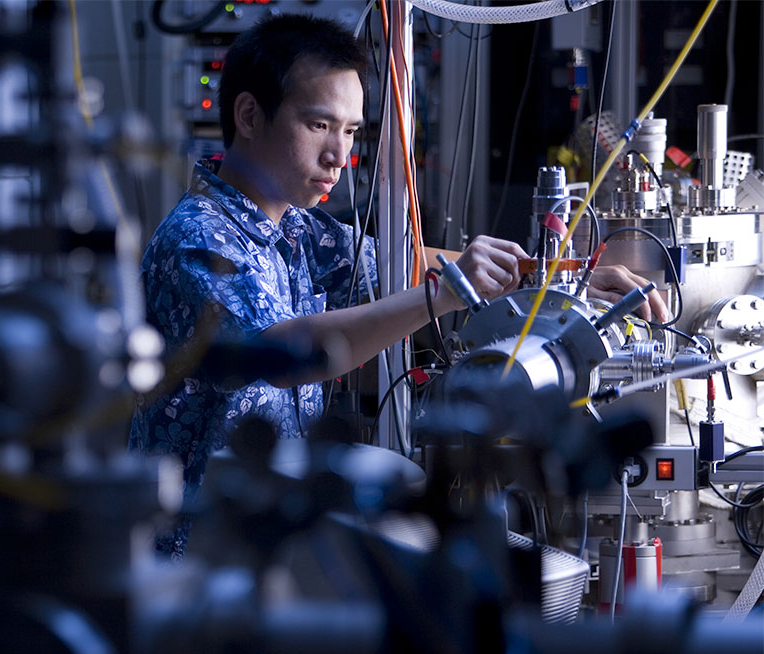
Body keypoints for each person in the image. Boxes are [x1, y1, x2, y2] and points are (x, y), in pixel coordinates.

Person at [129, 13, 665, 559]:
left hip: (271, 539)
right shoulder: (199, 240)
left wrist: (565, 276)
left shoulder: (290, 227)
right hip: (197, 557)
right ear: (249, 114)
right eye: (319, 125)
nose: (340, 154)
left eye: (351, 131)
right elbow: (288, 350)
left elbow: (400, 261)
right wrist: (443, 294)